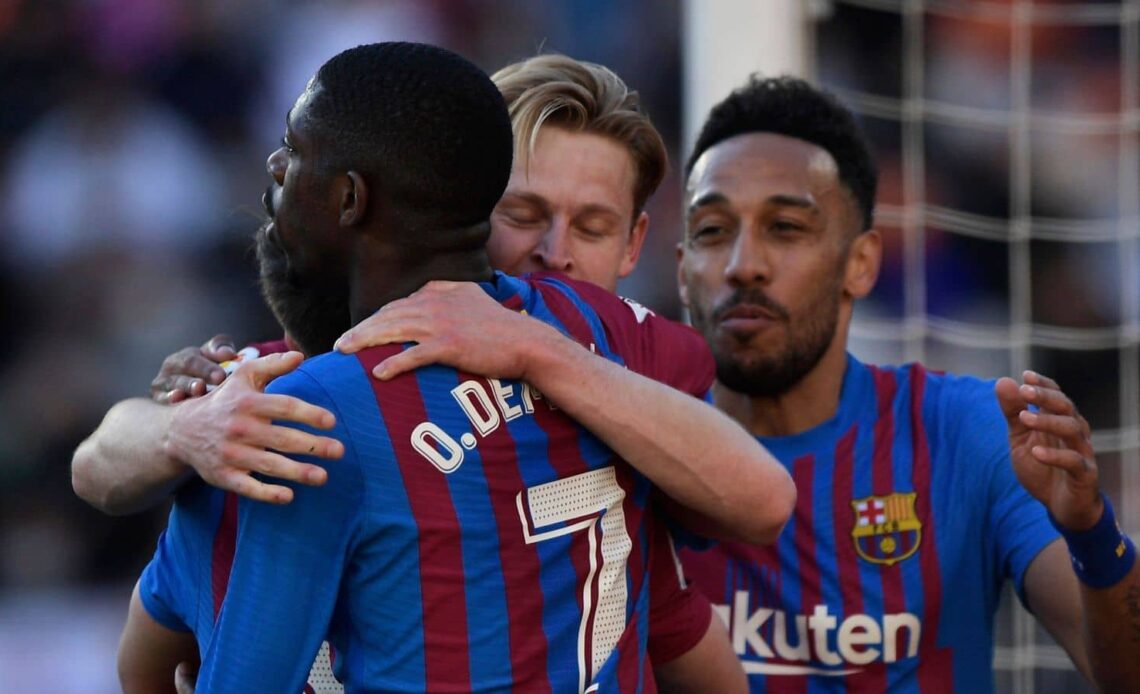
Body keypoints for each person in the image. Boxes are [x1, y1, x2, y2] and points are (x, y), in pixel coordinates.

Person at [76, 53, 795, 692]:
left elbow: (745, 523)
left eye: (592, 225)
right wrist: (182, 427)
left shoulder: (614, 367)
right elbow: (100, 465)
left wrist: (535, 348)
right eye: (525, 212)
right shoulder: (261, 407)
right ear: (472, 205)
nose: (555, 253)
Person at [664, 75, 1139, 691]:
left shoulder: (965, 433)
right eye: (712, 231)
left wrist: (1091, 531)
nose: (742, 264)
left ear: (861, 263)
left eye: (785, 227)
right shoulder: (640, 453)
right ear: (681, 271)